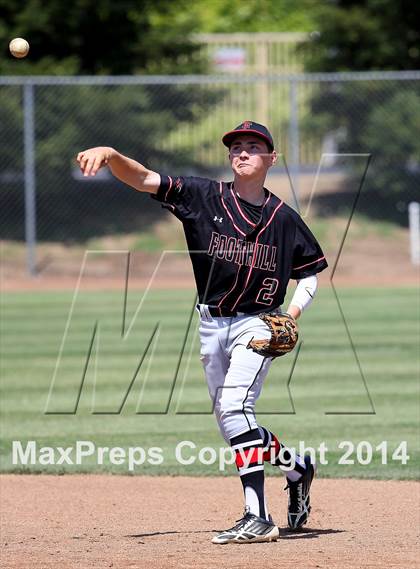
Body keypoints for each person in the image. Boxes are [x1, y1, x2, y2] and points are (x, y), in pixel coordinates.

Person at [77, 120, 328, 544]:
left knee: (234, 409)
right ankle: (296, 467)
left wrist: (295, 313)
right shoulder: (202, 196)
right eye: (236, 147)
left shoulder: (285, 219)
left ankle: (258, 517)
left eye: (254, 146)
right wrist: (112, 154)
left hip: (259, 323)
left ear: (271, 158)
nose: (243, 152)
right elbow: (142, 178)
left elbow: (310, 275)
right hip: (210, 323)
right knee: (232, 420)